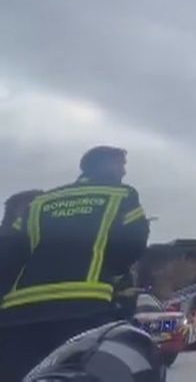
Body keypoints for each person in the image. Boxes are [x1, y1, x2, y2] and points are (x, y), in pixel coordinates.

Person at [0, 146, 150, 382]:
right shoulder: (121, 195)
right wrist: (111, 275)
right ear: (104, 165)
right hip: (85, 308)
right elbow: (134, 242)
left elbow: (8, 254)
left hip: (20, 313)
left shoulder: (40, 203)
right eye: (120, 164)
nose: (124, 170)